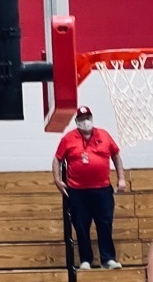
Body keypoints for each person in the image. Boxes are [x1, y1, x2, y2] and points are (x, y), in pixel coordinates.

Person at [52, 106, 126, 270]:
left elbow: (115, 155)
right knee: (81, 225)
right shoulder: (69, 139)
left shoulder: (104, 135)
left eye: (88, 118)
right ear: (77, 121)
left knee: (105, 223)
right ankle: (86, 259)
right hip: (78, 191)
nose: (86, 121)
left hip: (102, 189)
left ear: (92, 118)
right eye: (82, 119)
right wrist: (57, 179)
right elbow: (57, 159)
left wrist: (121, 178)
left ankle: (108, 259)